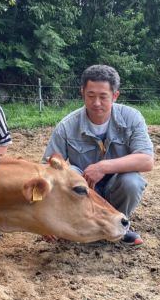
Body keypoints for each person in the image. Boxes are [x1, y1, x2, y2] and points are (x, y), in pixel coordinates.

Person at [43, 64, 154, 246]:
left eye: (103, 97)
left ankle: (119, 225)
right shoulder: (66, 126)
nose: (96, 103)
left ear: (115, 96)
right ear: (82, 93)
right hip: (85, 191)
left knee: (132, 181)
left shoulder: (132, 118)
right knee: (68, 172)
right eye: (91, 96)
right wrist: (49, 220)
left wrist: (103, 167)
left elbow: (147, 160)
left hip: (116, 187)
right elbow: (48, 167)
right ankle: (77, 224)